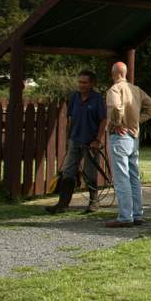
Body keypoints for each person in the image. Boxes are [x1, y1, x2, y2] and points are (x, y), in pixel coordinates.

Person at [104, 61, 151, 228]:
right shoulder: (136, 90)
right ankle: (137, 215)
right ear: (125, 73)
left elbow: (115, 106)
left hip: (119, 136)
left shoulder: (114, 89)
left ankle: (125, 217)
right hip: (133, 137)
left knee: (122, 179)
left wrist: (117, 122)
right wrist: (136, 121)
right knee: (134, 177)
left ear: (113, 73)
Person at [46, 69, 107, 214]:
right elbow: (71, 118)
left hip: (91, 142)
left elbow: (103, 120)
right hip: (75, 140)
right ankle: (62, 204)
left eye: (85, 82)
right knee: (68, 171)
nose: (81, 85)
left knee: (90, 172)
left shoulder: (97, 99)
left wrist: (98, 140)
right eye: (80, 82)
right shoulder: (74, 97)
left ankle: (94, 203)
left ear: (92, 84)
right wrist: (68, 137)